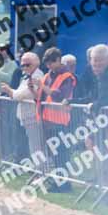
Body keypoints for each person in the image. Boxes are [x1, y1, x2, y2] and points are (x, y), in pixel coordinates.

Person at [33, 47, 76, 192]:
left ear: (58, 60)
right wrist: (34, 89)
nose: (49, 66)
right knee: (54, 154)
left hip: (60, 122)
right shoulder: (47, 75)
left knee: (62, 155)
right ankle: (58, 182)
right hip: (47, 121)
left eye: (51, 63)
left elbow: (59, 96)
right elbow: (41, 97)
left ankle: (65, 185)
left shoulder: (67, 76)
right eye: (47, 64)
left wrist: (42, 87)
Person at [1, 52, 45, 166]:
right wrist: (13, 92)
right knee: (33, 145)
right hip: (27, 116)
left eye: (27, 65)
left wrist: (8, 90)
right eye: (22, 65)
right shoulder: (28, 76)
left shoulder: (36, 76)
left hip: (33, 116)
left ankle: (42, 171)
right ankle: (39, 171)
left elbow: (20, 95)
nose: (24, 67)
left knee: (36, 146)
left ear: (36, 64)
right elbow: (19, 93)